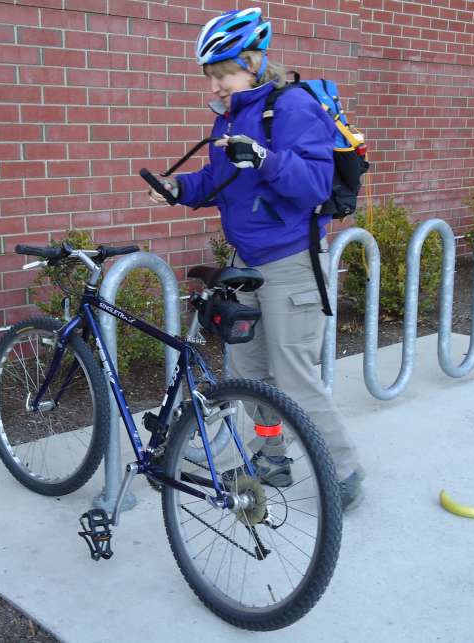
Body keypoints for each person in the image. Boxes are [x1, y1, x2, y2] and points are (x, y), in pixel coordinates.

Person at [149, 7, 364, 510]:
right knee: (247, 373)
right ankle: (272, 455)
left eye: (223, 72)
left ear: (252, 61)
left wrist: (265, 158)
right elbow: (221, 182)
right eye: (211, 76)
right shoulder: (233, 117)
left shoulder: (289, 108)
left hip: (291, 263)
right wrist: (179, 187)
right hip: (246, 264)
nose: (217, 84)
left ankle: (344, 469)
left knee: (294, 376)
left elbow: (313, 184)